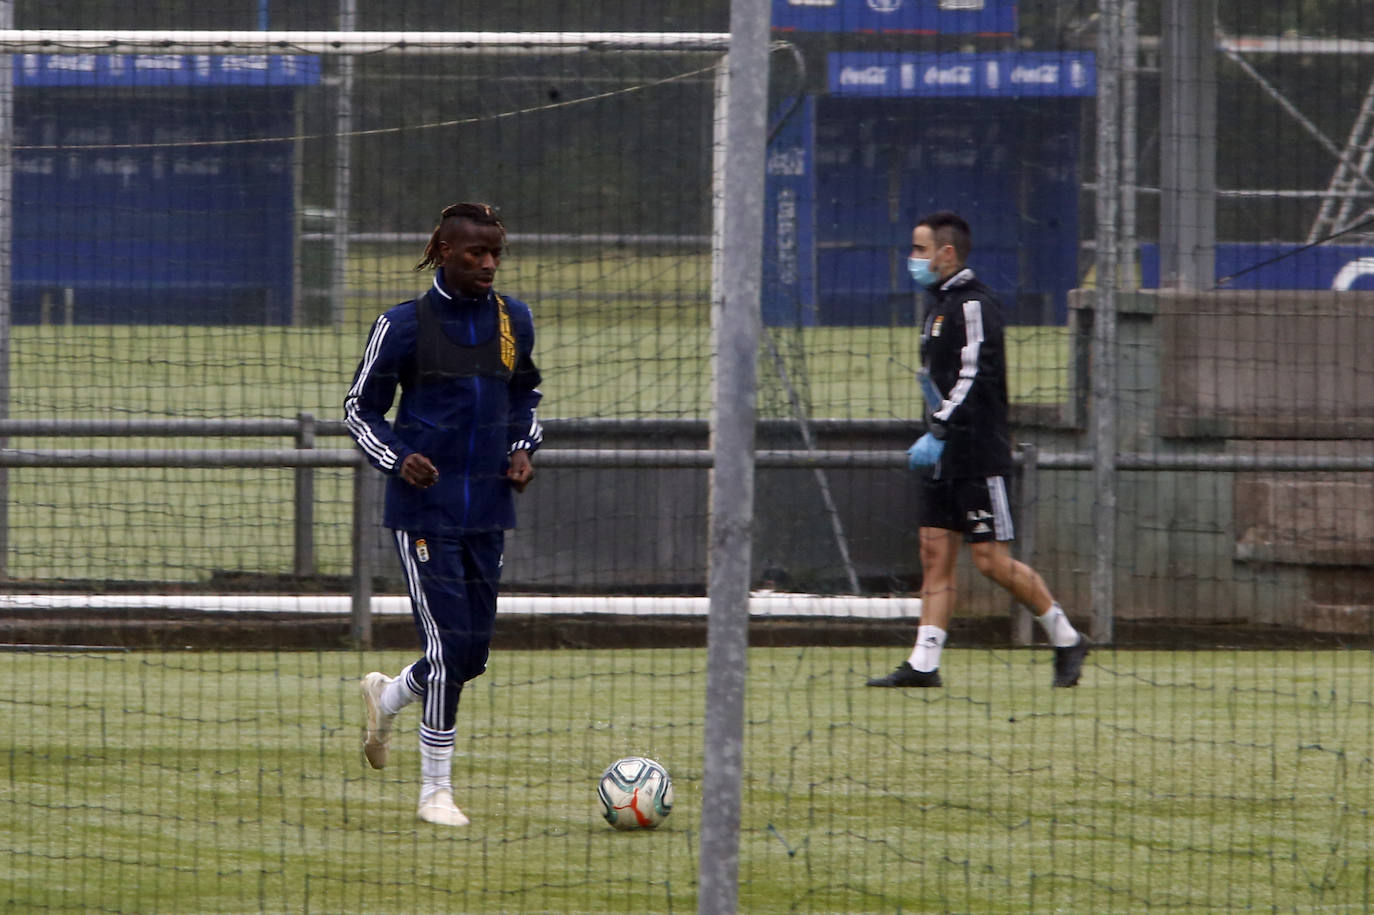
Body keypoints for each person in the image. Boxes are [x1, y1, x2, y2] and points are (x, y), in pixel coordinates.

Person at [344, 202, 543, 825]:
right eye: (475, 254)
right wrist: (399, 458)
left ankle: (389, 693)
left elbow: (525, 398)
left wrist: (520, 448)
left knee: (472, 655)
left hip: (488, 511)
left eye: (495, 255)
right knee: (448, 641)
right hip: (424, 513)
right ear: (443, 253)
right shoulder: (402, 325)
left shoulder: (514, 320)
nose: (488, 265)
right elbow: (358, 409)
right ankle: (435, 791)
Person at [867, 210, 1088, 689]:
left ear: (947, 254)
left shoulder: (974, 303)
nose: (913, 259)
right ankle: (924, 664)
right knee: (933, 553)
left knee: (990, 560)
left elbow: (975, 376)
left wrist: (940, 428)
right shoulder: (937, 305)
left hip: (977, 455)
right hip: (943, 455)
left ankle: (1066, 637)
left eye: (920, 250)